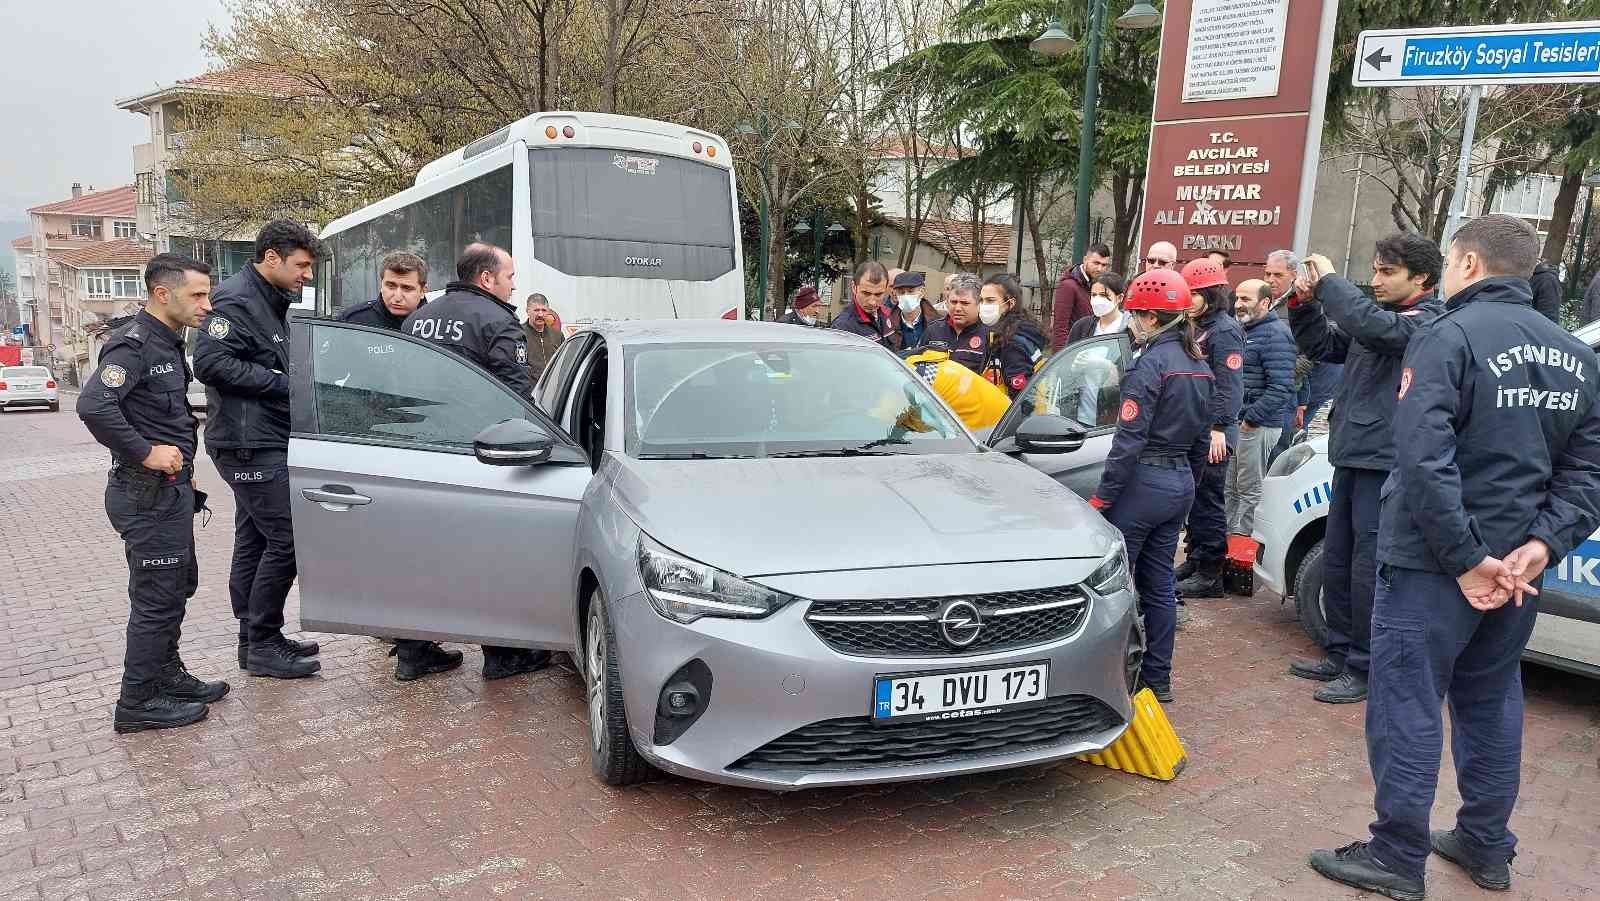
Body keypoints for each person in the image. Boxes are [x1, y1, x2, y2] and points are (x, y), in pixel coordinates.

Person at [1308, 213, 1600, 901]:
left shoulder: (1448, 335)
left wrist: (1468, 558)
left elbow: (1422, 457)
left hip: (1433, 565)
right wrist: (1540, 547)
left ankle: (1397, 854)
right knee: (1491, 696)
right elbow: (1586, 472)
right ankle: (1485, 841)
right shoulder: (1576, 354)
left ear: (1468, 264)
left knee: (1406, 701)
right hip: (1517, 569)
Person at [1284, 233, 1445, 705]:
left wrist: (1330, 281)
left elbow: (1372, 328)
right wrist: (1303, 303)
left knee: (1367, 569)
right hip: (1352, 454)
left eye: (1387, 272)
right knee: (1338, 560)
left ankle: (1364, 664)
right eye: (1374, 270)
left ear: (1422, 278)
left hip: (1384, 463)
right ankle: (1338, 652)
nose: (1376, 280)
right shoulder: (1379, 318)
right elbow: (1324, 343)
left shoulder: (1427, 321)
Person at [79, 254, 229, 732]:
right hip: (144, 494)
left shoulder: (167, 342)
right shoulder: (134, 344)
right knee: (156, 598)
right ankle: (137, 701)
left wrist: (184, 470)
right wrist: (146, 453)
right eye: (197, 295)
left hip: (169, 490)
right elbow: (94, 406)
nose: (207, 305)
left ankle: (166, 676)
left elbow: (163, 416)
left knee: (177, 586)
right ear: (163, 294)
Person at [403, 243, 549, 680]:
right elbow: (514, 398)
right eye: (509, 277)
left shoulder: (418, 318)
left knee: (422, 555)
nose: (513, 286)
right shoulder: (498, 321)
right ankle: (502, 655)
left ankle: (413, 650)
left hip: (416, 451)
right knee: (491, 555)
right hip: (476, 452)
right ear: (487, 278)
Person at [195, 219, 323, 680]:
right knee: (288, 539)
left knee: (256, 538)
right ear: (272, 258)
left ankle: (254, 641)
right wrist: (282, 384)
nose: (307, 274)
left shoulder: (268, 300)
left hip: (262, 438)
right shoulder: (236, 300)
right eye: (301, 265)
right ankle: (263, 640)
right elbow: (210, 363)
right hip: (248, 443)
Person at [1085, 268, 1213, 703]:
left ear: (1152, 318)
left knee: (1117, 587)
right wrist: (1187, 487)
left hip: (1143, 484)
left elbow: (1128, 442)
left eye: (1136, 315)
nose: (1133, 323)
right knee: (1159, 585)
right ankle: (1158, 678)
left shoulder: (1149, 365)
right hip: (1178, 483)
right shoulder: (1199, 364)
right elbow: (1201, 441)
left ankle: (1111, 680)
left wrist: (1103, 497)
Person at [1171, 257, 1244, 599]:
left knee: (1209, 501)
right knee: (1196, 501)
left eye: (1195, 294)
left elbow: (1229, 387)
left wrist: (1218, 427)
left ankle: (1211, 573)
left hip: (1214, 431)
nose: (1190, 300)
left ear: (1211, 295)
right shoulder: (1196, 325)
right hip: (1196, 428)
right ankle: (1196, 558)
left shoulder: (1224, 331)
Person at [1225, 277, 1295, 550]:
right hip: (1238, 423)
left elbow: (1282, 387)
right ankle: (1225, 544)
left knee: (1249, 488)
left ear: (1265, 302)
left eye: (1246, 299)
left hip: (1257, 425)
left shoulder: (1276, 335)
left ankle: (1241, 550)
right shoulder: (1243, 331)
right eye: (1237, 298)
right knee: (1230, 487)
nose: (1238, 304)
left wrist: (1251, 419)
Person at [902, 342, 1011, 431]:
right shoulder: (930, 365)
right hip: (1005, 412)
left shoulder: (916, 381)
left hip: (996, 427)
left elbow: (918, 429)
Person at [980, 274, 1048, 397]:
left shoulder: (1012, 343)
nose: (983, 306)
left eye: (990, 300)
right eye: (981, 300)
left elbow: (1020, 397)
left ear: (1010, 303)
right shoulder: (1008, 332)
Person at [336, 251, 427, 330]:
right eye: (391, 286)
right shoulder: (353, 321)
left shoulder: (434, 324)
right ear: (381, 285)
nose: (397, 297)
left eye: (407, 288)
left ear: (423, 291)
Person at [923, 273, 990, 373]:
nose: (957, 308)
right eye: (953, 302)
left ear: (979, 303)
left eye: (965, 303)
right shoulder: (933, 330)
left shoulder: (989, 336)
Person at [1050, 242, 1112, 350]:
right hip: (1072, 352)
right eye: (1096, 263)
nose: (1100, 269)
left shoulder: (1096, 285)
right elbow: (1060, 328)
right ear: (1085, 260)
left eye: (1104, 265)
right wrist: (1062, 357)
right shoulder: (1068, 286)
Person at [830, 261, 899, 350]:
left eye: (878, 294)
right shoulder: (843, 327)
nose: (872, 302)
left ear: (886, 289)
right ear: (854, 287)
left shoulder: (887, 314)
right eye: (866, 293)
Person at [1067, 273, 1131, 345]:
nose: (1097, 300)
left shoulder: (1131, 328)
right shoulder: (1081, 327)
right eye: (1093, 295)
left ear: (1119, 298)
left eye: (1103, 295)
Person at [522, 292, 565, 382]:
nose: (540, 314)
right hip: (528, 388)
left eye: (544, 310)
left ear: (548, 312)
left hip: (552, 388)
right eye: (536, 310)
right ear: (527, 311)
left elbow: (563, 364)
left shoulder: (557, 335)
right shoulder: (519, 334)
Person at [891, 271, 938, 349]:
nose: (906, 296)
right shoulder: (888, 323)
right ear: (895, 294)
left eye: (910, 291)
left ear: (922, 292)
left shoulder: (937, 322)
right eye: (901, 292)